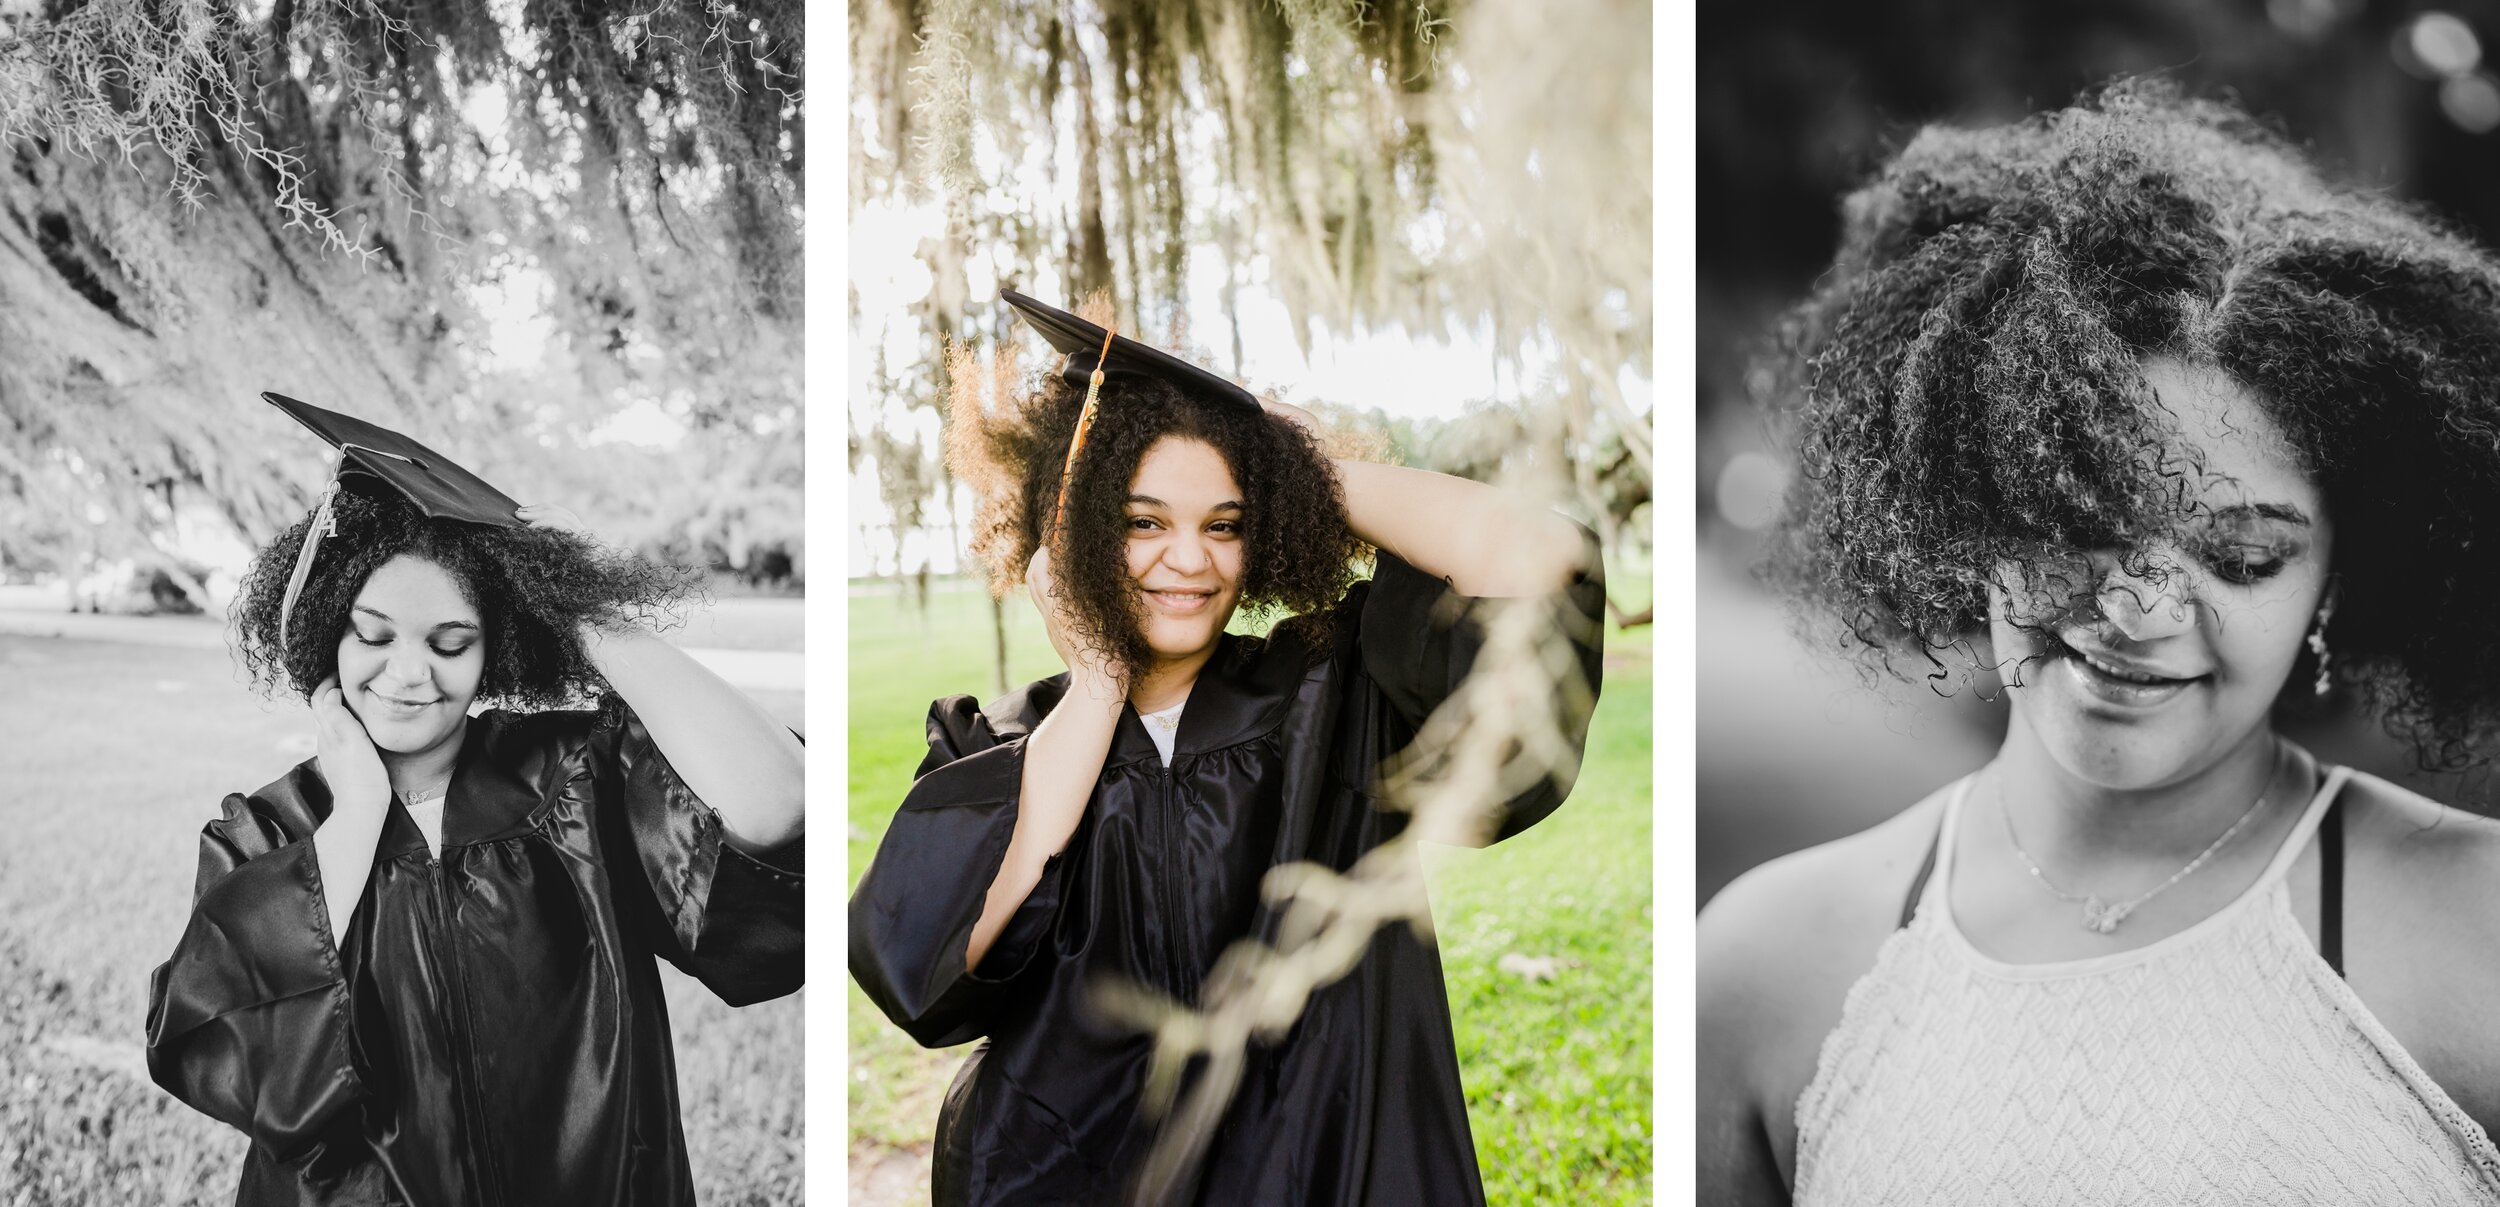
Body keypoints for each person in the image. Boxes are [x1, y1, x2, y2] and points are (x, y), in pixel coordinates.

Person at [1698, 81, 2500, 1204]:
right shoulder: (1762, 966)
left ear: (2337, 580)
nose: (2139, 608)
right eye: (2082, 522)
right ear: (1969, 499)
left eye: (2240, 554)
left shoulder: (2481, 930)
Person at [848, 292, 1607, 1206]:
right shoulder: (1003, 741)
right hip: (1064, 1177)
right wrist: (1095, 682)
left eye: (1225, 522)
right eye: (1142, 522)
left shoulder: (1329, 690)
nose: (1190, 561)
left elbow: (1542, 559)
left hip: (1316, 1168)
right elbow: (932, 960)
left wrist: (1297, 458)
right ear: (1077, 528)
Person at [145, 395, 806, 1206]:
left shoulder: (575, 781)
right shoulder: (265, 833)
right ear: (326, 634)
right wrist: (354, 817)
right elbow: (228, 1053)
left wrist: (574, 599)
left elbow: (776, 803)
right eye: (374, 635)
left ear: (496, 650)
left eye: (451, 642)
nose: (411, 673)